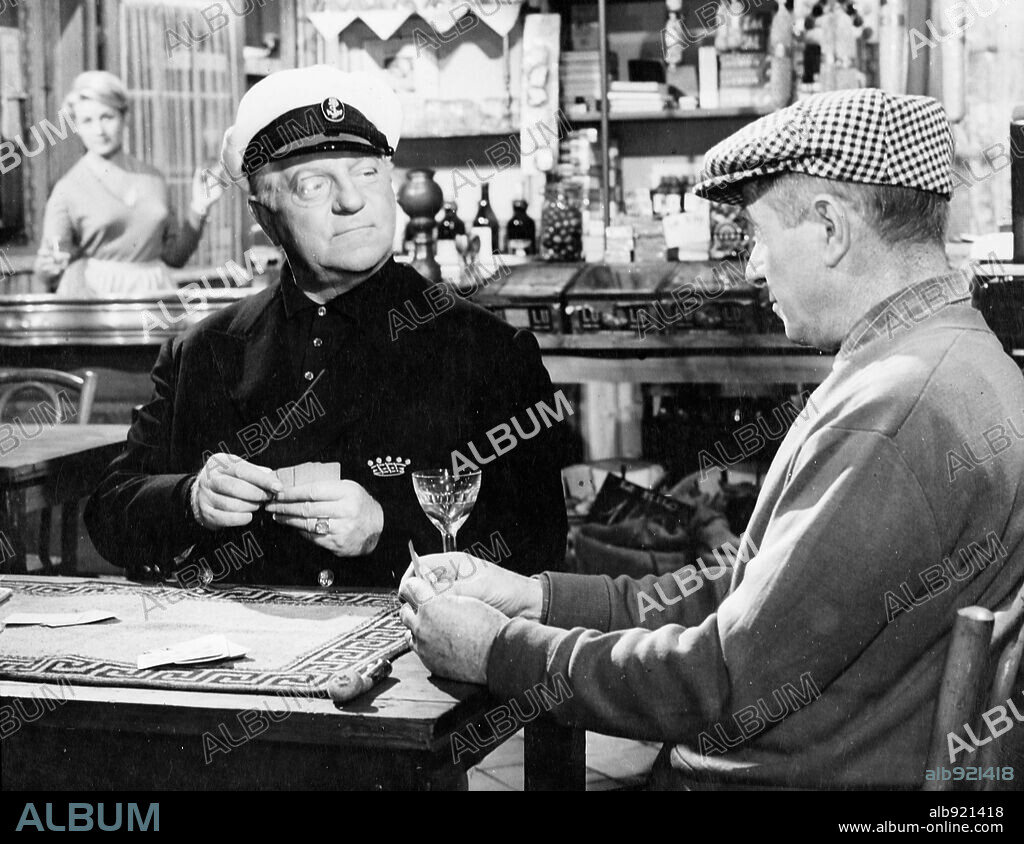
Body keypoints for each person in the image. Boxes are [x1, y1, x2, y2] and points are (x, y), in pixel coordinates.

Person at [399, 88, 1024, 790]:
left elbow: (713, 680)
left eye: (759, 233)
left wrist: (497, 650)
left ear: (829, 227)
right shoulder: (948, 358)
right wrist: (537, 600)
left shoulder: (893, 412)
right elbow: (740, 598)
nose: (753, 266)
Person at [84, 66, 567, 589]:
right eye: (314, 185)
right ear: (264, 216)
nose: (352, 200)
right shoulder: (204, 351)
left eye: (367, 173)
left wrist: (388, 527)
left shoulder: (486, 350)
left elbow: (540, 544)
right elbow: (108, 515)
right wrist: (191, 500)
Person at [34, 70, 224, 295]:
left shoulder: (154, 178)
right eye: (87, 121)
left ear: (125, 117)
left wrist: (199, 207)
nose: (99, 130)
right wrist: (47, 266)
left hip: (153, 294)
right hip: (96, 298)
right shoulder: (67, 189)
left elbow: (175, 257)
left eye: (107, 117)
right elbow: (50, 265)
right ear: (77, 126)